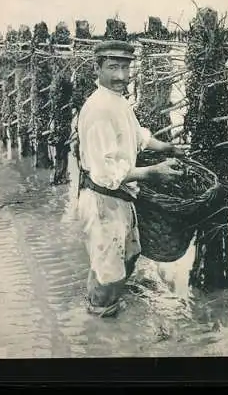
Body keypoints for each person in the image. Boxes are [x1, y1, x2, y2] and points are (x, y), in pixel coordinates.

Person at [77, 40, 185, 317]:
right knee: (108, 273)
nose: (121, 76)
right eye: (113, 67)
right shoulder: (99, 108)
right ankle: (101, 326)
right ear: (96, 68)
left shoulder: (117, 101)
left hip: (122, 197)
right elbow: (104, 171)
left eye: (125, 67)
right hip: (102, 200)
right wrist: (152, 172)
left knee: (127, 256)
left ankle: (109, 310)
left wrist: (167, 148)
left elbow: (138, 137)